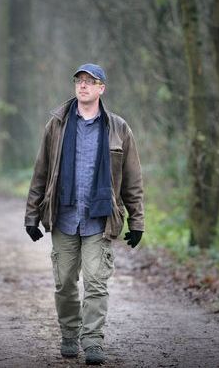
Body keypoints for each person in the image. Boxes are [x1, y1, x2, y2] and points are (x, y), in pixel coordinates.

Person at [24, 63, 145, 365]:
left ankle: (92, 341)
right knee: (64, 281)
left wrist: (137, 220)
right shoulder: (57, 124)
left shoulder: (118, 128)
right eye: (79, 81)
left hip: (99, 219)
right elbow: (41, 172)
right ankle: (69, 334)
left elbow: (132, 180)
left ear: (102, 88)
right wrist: (31, 215)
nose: (83, 86)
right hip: (63, 216)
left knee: (95, 282)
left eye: (90, 81)